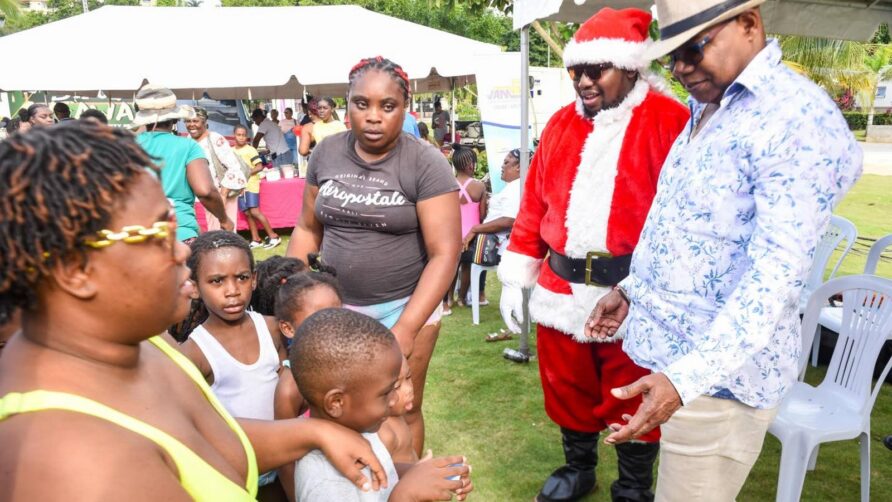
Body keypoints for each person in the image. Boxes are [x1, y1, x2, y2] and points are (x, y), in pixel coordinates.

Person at [0, 122, 393, 501]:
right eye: (158, 234)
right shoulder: (70, 461)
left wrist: (314, 434)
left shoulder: (145, 343)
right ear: (76, 270)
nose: (183, 251)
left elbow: (207, 441)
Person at [584, 2, 863, 501]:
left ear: (749, 24)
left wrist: (685, 380)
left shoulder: (795, 118)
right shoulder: (712, 105)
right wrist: (633, 291)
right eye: (672, 57)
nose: (682, 68)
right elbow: (684, 224)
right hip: (681, 368)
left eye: (694, 49)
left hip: (717, 382)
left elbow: (774, 277)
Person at [496, 8, 690, 502]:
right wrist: (517, 275)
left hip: (635, 292)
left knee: (634, 393)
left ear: (629, 67)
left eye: (595, 70)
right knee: (567, 390)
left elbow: (686, 217)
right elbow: (534, 203)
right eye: (575, 71)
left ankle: (633, 485)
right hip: (560, 288)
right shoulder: (561, 124)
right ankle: (578, 469)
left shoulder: (671, 122)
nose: (582, 81)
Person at [286, 56, 461, 457]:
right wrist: (290, 293)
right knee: (333, 408)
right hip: (335, 310)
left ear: (405, 107)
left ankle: (409, 488)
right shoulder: (326, 153)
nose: (373, 117)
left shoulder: (425, 162)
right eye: (361, 104)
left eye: (387, 106)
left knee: (402, 408)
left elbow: (445, 254)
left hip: (405, 306)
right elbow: (308, 229)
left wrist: (406, 328)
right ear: (346, 105)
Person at [290, 308, 472, 502]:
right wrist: (405, 495)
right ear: (336, 403)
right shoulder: (324, 482)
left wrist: (420, 473)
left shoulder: (361, 430)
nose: (394, 400)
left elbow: (384, 473)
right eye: (386, 392)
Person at [176, 231, 287, 497]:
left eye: (241, 277)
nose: (232, 291)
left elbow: (288, 392)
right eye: (217, 281)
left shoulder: (271, 328)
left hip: (286, 459)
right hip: (238, 471)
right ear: (195, 286)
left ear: (255, 279)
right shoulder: (196, 351)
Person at [273, 262, 344, 501]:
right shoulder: (291, 388)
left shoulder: (351, 361)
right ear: (287, 327)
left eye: (337, 312)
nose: (332, 323)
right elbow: (284, 456)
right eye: (319, 317)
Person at [133, 85, 233, 241]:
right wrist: (224, 219)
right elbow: (205, 191)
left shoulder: (125, 146)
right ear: (175, 118)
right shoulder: (188, 146)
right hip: (180, 233)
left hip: (135, 235)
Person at [464, 149, 522, 340]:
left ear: (519, 167)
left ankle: (455, 300)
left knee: (458, 254)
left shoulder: (516, 189)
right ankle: (468, 297)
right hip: (497, 243)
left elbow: (509, 220)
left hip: (500, 247)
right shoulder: (513, 187)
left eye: (507, 163)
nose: (502, 167)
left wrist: (476, 229)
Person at [186, 107, 247, 232]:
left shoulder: (215, 139)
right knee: (213, 232)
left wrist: (222, 195)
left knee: (226, 231)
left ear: (204, 122)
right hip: (206, 194)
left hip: (222, 192)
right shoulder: (188, 140)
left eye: (195, 121)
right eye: (188, 121)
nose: (191, 125)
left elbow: (234, 167)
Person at [451, 146, 487, 312]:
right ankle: (462, 298)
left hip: (452, 233)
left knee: (451, 267)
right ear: (471, 165)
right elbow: (483, 214)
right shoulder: (479, 187)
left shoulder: (448, 184)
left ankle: (448, 299)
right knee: (466, 266)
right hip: (471, 234)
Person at [233, 124, 281, 248]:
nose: (241, 138)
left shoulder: (250, 150)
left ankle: (274, 236)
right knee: (247, 213)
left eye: (244, 135)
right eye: (239, 135)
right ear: (234, 136)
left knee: (254, 211)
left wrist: (246, 173)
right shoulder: (231, 151)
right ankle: (256, 239)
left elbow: (259, 166)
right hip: (239, 187)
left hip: (251, 185)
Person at [378, 355, 418, 465]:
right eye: (397, 386)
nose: (409, 389)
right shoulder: (385, 435)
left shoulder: (397, 414)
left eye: (408, 377)